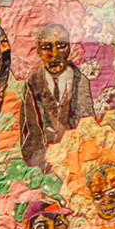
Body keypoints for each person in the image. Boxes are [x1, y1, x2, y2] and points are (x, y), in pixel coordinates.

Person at [19, 22, 95, 169]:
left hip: (76, 160)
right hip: (43, 163)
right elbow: (29, 127)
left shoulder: (80, 81)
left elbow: (88, 124)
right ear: (38, 52)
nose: (54, 54)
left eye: (61, 46)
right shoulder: (33, 83)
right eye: (46, 47)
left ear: (70, 48)